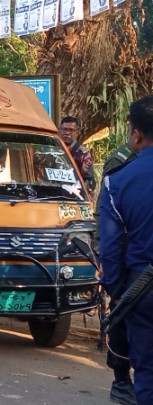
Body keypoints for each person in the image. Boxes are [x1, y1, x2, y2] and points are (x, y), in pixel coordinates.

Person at [99, 95, 153, 405]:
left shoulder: (116, 182)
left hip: (141, 290)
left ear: (136, 134)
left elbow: (110, 248)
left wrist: (117, 293)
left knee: (147, 371)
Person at [93, 142, 138, 405]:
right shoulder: (120, 160)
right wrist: (102, 252)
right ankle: (121, 381)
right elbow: (105, 210)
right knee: (121, 314)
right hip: (125, 251)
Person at [59, 116, 96, 192]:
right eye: (64, 129)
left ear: (77, 133)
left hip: (74, 196)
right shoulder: (53, 150)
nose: (67, 133)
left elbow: (88, 181)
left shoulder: (83, 153)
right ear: (60, 130)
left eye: (71, 130)